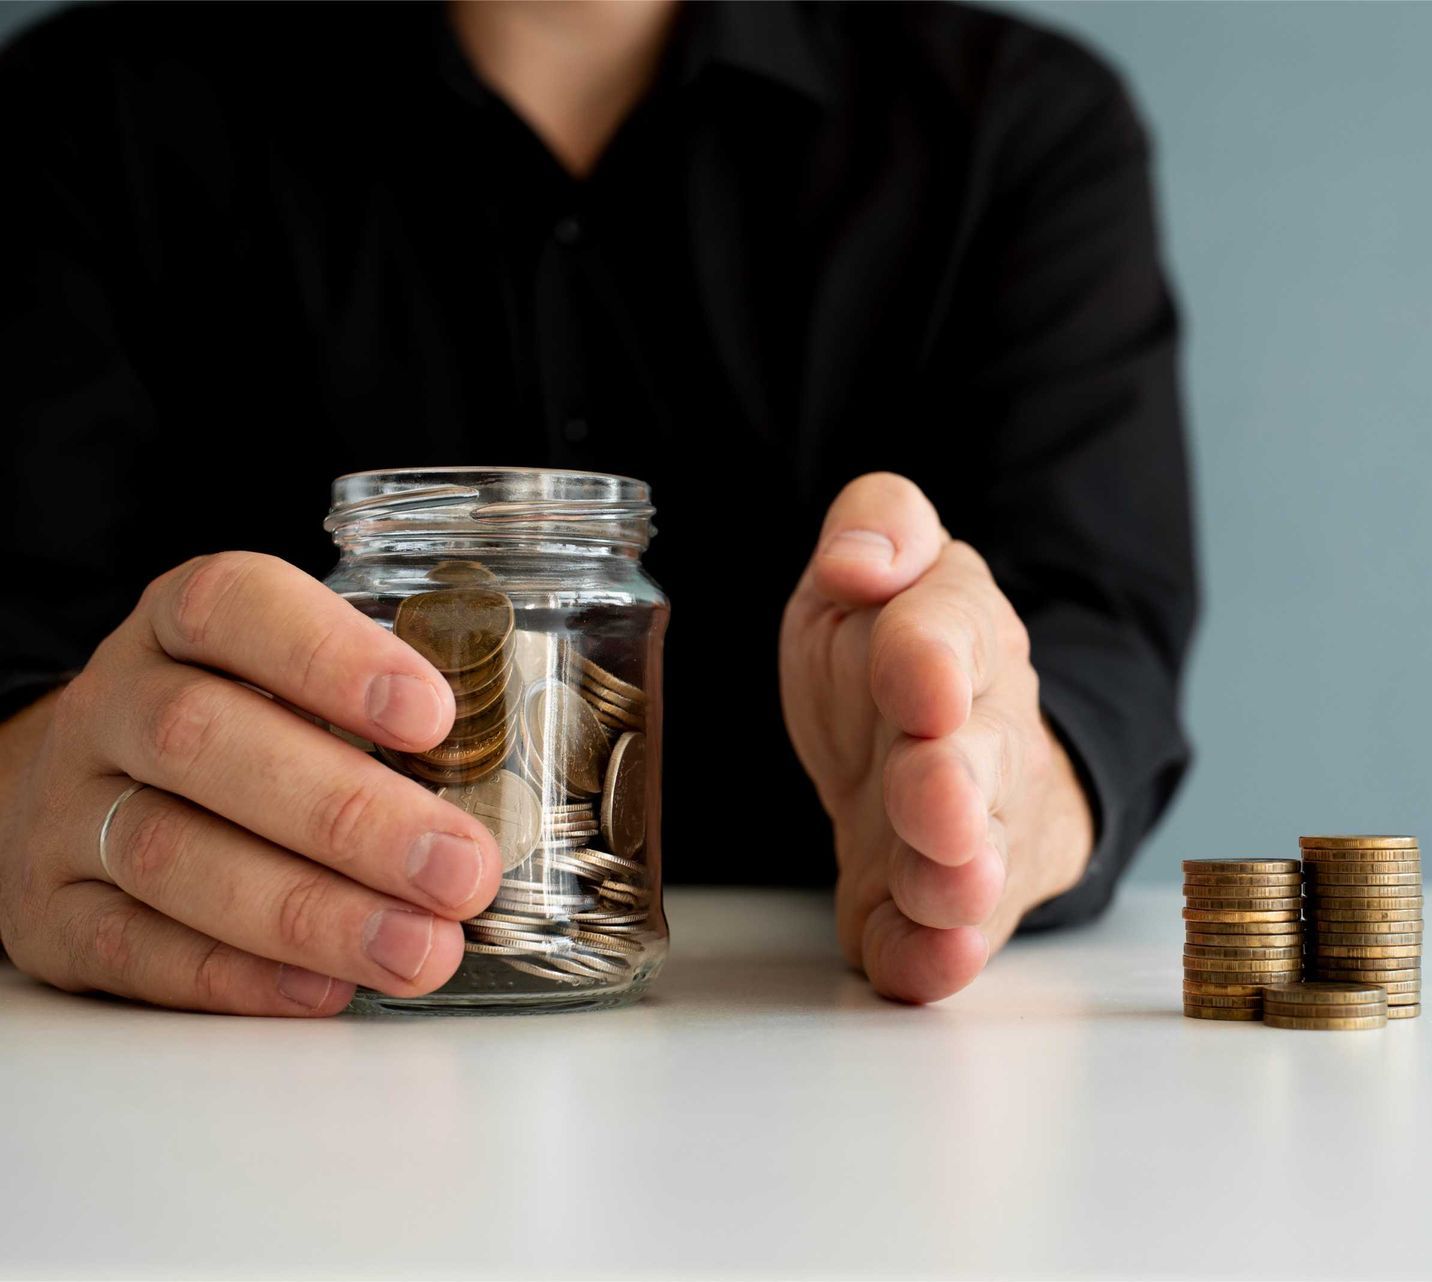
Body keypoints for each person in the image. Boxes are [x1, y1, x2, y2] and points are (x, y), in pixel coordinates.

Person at [0, 0, 1196, 1013]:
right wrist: (32, 799)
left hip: (817, 1062)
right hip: (259, 1069)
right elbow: (20, 660)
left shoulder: (1019, 129)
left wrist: (992, 791)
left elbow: (1095, 636)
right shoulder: (77, 115)